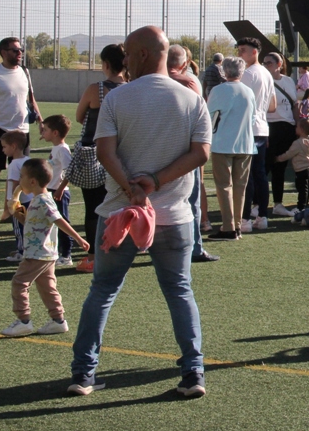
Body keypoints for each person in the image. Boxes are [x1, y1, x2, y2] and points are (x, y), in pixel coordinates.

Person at [71, 25, 212, 398]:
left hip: (119, 211)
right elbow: (200, 154)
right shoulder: (192, 99)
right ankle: (193, 373)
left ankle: (83, 374)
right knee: (180, 292)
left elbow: (105, 151)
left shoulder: (118, 98)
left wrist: (132, 186)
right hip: (174, 215)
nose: (126, 61)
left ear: (144, 55)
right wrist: (155, 180)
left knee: (102, 290)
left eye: (129, 53)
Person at [1, 158, 91, 337]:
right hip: (46, 254)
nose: (19, 180)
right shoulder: (37, 200)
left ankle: (23, 321)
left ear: (32, 181)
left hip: (38, 254)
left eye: (21, 177)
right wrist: (17, 213)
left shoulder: (43, 201)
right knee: (47, 287)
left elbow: (59, 220)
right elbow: (31, 224)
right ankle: (58, 320)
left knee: (19, 283)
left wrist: (78, 238)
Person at [69, 44, 126, 272]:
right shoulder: (130, 89)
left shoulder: (96, 89)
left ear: (106, 64)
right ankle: (119, 250)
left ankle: (93, 257)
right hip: (121, 155)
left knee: (93, 207)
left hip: (94, 155)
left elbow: (80, 116)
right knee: (119, 205)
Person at [168, 45, 219, 263]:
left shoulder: (148, 80)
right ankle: (195, 247)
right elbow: (199, 118)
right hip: (187, 149)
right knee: (191, 200)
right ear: (185, 63)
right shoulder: (188, 82)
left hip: (158, 147)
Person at [0, 37, 41, 225]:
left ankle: (8, 212)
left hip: (22, 131)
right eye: (15, 51)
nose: (19, 54)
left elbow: (31, 99)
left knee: (19, 174)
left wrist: (40, 120)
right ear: (3, 52)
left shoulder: (25, 71)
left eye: (21, 51)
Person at [205, 56, 256, 240]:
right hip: (245, 144)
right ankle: (237, 225)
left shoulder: (219, 90)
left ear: (224, 71)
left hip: (223, 143)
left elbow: (209, 116)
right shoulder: (248, 91)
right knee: (240, 187)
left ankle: (228, 227)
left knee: (224, 185)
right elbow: (253, 117)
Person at [235, 38, 275, 232]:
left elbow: (242, 103)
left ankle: (245, 219)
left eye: (243, 50)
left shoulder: (248, 74)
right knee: (259, 175)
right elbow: (272, 105)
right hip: (261, 126)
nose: (239, 54)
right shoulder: (267, 73)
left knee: (247, 175)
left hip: (248, 127)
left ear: (254, 52)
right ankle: (262, 217)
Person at [263, 52, 299, 217]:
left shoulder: (288, 81)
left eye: (269, 63)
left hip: (287, 127)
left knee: (280, 167)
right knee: (265, 166)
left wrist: (298, 125)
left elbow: (294, 105)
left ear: (279, 65)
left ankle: (278, 204)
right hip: (270, 126)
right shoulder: (263, 81)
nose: (265, 66)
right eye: (264, 63)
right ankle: (258, 204)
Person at [39, 115, 75, 267]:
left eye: (45, 130)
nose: (42, 132)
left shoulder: (63, 150)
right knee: (51, 222)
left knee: (62, 222)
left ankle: (66, 255)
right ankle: (54, 251)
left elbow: (69, 171)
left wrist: (60, 189)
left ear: (55, 133)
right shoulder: (56, 148)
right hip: (51, 191)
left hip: (59, 192)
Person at [0, 131, 31, 262]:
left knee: (19, 228)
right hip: (29, 199)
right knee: (29, 226)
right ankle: (28, 249)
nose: (2, 150)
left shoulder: (13, 164)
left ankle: (21, 252)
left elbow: (14, 183)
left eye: (4, 147)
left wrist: (11, 201)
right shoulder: (28, 160)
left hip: (18, 203)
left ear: (13, 146)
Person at [276, 119, 309, 215]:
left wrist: (278, 158)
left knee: (302, 189)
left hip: (301, 170)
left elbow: (289, 154)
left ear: (301, 129)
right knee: (306, 189)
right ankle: (304, 205)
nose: (295, 128)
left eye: (297, 127)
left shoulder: (298, 143)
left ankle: (301, 207)